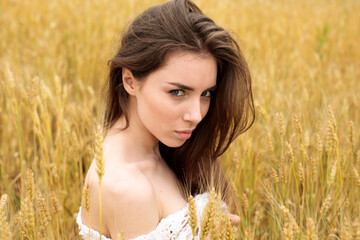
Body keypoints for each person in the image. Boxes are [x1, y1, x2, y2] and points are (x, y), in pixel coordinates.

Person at [76, 0, 254, 239]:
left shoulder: (161, 147)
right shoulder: (127, 188)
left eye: (206, 94)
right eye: (177, 92)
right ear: (129, 81)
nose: (197, 115)